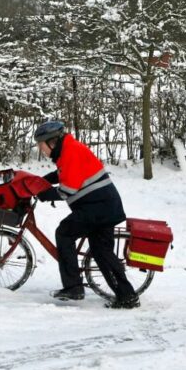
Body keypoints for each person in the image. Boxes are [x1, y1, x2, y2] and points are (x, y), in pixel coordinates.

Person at [33, 120, 140, 309]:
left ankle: (73, 287)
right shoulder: (67, 151)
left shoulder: (70, 152)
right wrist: (43, 181)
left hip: (98, 208)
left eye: (41, 146)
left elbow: (68, 190)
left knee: (64, 233)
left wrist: (44, 193)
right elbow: (65, 173)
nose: (41, 151)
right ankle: (127, 296)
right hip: (101, 206)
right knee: (101, 252)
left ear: (52, 142)